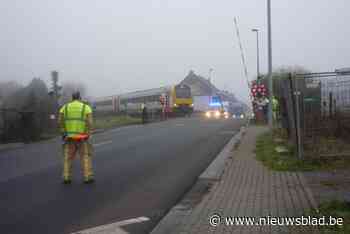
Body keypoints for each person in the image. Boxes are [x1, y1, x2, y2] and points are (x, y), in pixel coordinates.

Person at [58, 91, 94, 184]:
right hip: (82, 138)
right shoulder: (86, 107)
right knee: (85, 157)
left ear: (72, 98)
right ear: (80, 98)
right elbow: (90, 123)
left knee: (68, 159)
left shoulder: (64, 108)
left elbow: (60, 122)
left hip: (69, 138)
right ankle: (87, 177)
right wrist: (88, 133)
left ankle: (66, 177)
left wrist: (64, 133)